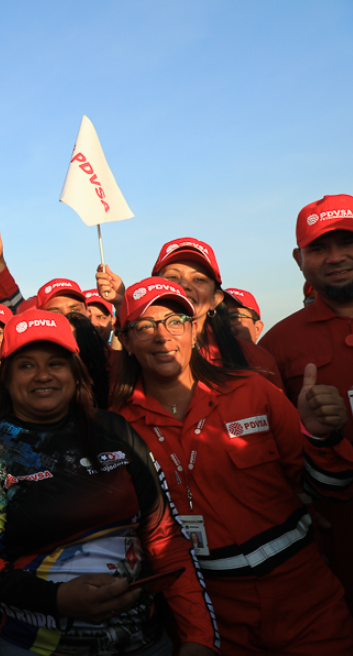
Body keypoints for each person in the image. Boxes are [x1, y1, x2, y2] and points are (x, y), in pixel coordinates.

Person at [0, 309, 217, 656]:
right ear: (6, 378)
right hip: (35, 647)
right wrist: (57, 600)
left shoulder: (116, 430)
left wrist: (198, 636)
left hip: (146, 642)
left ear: (76, 373)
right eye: (27, 365)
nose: (42, 375)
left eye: (56, 363)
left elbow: (164, 537)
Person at [113, 277, 353, 654]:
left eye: (175, 320)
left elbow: (333, 490)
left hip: (305, 599)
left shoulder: (254, 391)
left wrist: (320, 437)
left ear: (194, 329)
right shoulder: (117, 430)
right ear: (125, 341)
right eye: (144, 326)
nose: (162, 336)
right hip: (212, 612)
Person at [259, 194, 353, 611]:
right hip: (340, 540)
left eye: (347, 242)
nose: (336, 257)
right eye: (319, 248)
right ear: (299, 259)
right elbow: (267, 452)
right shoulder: (276, 346)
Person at [96, 237, 283, 388]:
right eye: (172, 277)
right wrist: (123, 306)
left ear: (215, 299)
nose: (184, 285)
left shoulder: (256, 359)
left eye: (199, 280)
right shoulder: (138, 357)